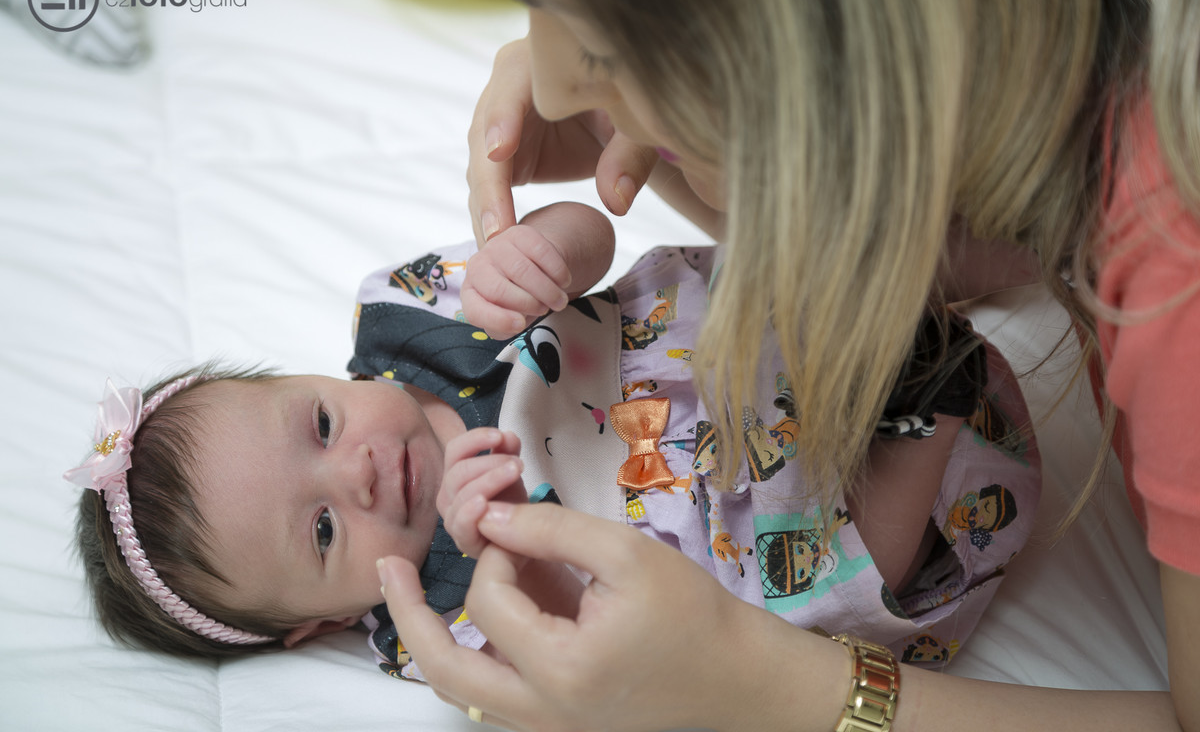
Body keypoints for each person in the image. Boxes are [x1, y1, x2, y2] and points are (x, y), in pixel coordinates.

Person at [374, 0, 1200, 730]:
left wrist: (757, 683)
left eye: (595, 36)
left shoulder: (1176, 271)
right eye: (529, 1)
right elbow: (915, 244)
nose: (549, 89)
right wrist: (656, 127)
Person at [71, 199, 1037, 685]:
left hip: (750, 350)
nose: (357, 471)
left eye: (320, 425)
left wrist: (544, 250)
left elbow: (593, 240)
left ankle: (935, 277)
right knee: (783, 618)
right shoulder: (441, 622)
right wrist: (515, 554)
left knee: (784, 261)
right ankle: (924, 408)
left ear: (307, 378)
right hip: (803, 520)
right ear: (316, 626)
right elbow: (588, 662)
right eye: (323, 530)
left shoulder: (409, 312)